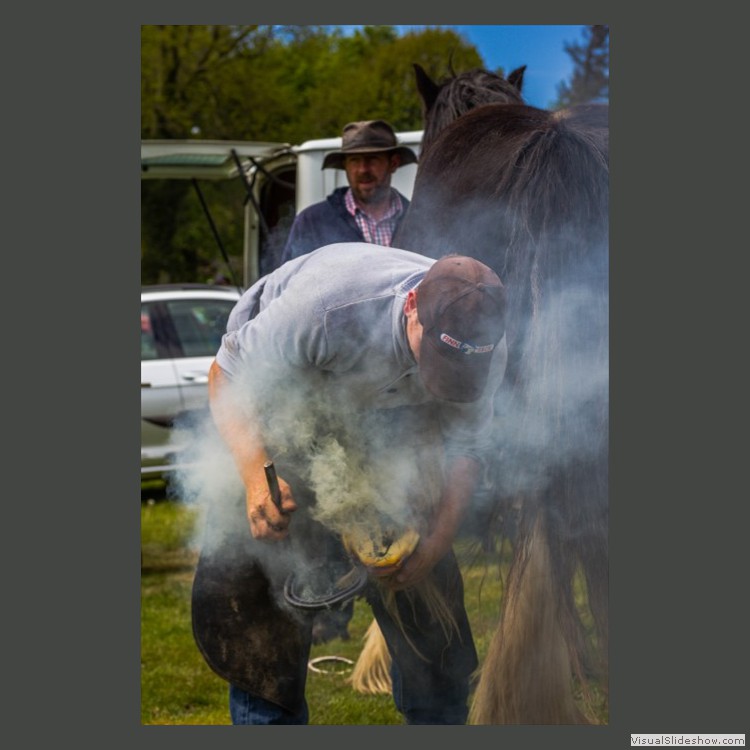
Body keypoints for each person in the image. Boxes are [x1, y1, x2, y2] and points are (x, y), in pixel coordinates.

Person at [190, 242, 508, 725]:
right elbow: (226, 375)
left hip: (393, 434)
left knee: (436, 644)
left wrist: (438, 540)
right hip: (281, 416)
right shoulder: (326, 309)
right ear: (412, 309)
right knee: (264, 635)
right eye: (438, 362)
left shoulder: (485, 334)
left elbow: (469, 445)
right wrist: (256, 476)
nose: (445, 381)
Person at [279, 120, 417, 264]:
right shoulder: (312, 222)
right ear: (345, 165)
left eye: (372, 159)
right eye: (354, 160)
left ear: (393, 163)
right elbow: (290, 281)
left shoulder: (419, 220)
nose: (363, 169)